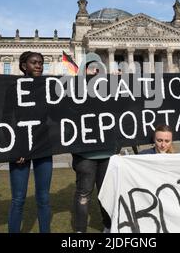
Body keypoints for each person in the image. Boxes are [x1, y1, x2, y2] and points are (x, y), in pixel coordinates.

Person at [7, 51, 52, 233]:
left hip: (43, 146)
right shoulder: (12, 87)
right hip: (20, 149)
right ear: (24, 66)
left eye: (41, 62)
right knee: (18, 198)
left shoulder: (48, 87)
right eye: (34, 62)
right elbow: (5, 119)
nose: (38, 65)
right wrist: (13, 149)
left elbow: (62, 112)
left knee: (44, 198)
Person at [72, 60, 114, 233]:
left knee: (107, 192)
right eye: (91, 68)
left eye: (99, 68)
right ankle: (80, 231)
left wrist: (123, 83)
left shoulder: (111, 91)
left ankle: (109, 226)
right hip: (85, 154)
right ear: (83, 71)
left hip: (107, 152)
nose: (95, 71)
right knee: (84, 194)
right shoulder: (73, 92)